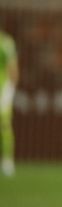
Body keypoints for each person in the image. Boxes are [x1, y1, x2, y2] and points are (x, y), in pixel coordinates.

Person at [0, 29, 18, 177]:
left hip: (2, 89)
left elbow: (13, 68)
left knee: (5, 125)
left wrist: (11, 89)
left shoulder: (5, 42)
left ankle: (7, 161)